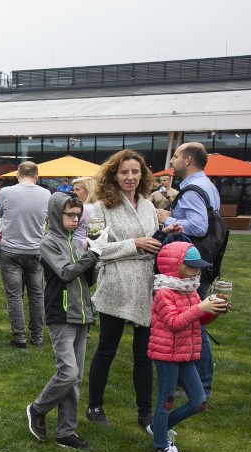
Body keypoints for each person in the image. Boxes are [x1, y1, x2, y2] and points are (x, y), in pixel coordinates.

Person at [86, 149, 161, 429]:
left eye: (135, 172)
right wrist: (135, 244)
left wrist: (166, 236)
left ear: (142, 175)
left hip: (145, 284)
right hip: (116, 284)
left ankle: (145, 413)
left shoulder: (148, 206)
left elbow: (154, 242)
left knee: (144, 354)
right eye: (124, 172)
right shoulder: (100, 208)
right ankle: (94, 406)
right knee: (107, 349)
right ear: (113, 175)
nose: (130, 177)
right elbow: (96, 248)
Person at [26, 193, 100, 452]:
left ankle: (66, 432)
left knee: (76, 378)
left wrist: (94, 260)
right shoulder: (48, 243)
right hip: (61, 314)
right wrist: (90, 258)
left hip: (82, 314)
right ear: (57, 215)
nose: (75, 219)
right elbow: (66, 272)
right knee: (67, 372)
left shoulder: (80, 244)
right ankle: (37, 408)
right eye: (70, 215)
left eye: (78, 215)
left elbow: (86, 280)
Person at [148, 242, 228, 452]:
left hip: (185, 353)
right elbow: (174, 323)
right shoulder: (163, 293)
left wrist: (214, 311)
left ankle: (158, 428)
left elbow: (198, 320)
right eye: (192, 267)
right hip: (166, 355)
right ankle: (162, 447)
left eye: (199, 267)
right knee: (167, 400)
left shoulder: (190, 290)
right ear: (176, 266)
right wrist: (201, 307)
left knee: (199, 401)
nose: (197, 272)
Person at [157, 142, 220, 400]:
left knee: (193, 322)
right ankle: (195, 381)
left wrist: (167, 219)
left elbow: (198, 225)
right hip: (201, 260)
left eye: (175, 156)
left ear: (189, 159)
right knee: (194, 321)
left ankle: (200, 385)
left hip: (190, 262)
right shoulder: (207, 185)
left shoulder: (193, 188)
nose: (172, 161)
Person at [0, 161, 51, 348]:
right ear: (37, 176)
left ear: (17, 175)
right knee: (36, 295)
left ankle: (19, 337)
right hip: (35, 250)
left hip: (11, 250)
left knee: (14, 295)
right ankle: (37, 336)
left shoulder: (6, 192)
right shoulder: (46, 194)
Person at [71, 176, 98, 248]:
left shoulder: (83, 208)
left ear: (88, 190)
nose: (74, 193)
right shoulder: (98, 206)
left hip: (77, 247)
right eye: (73, 190)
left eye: (77, 189)